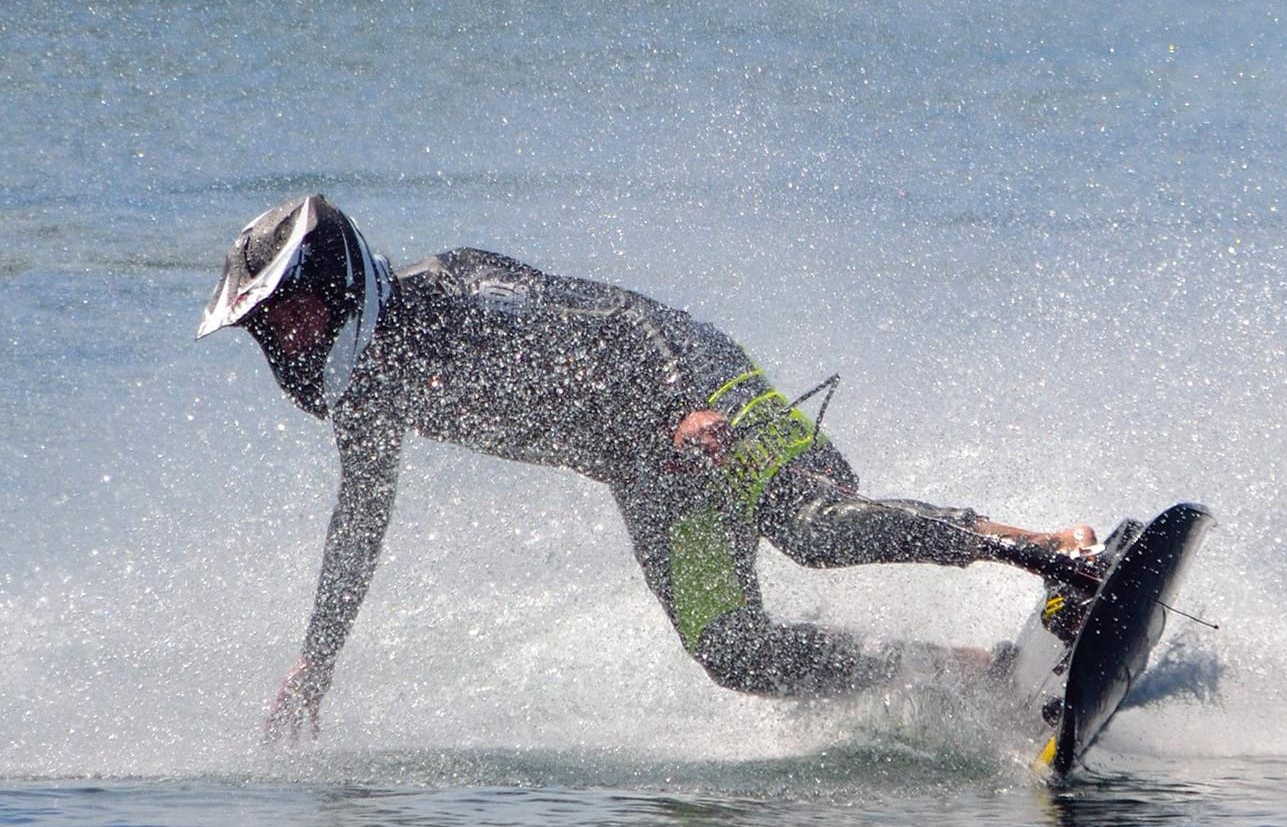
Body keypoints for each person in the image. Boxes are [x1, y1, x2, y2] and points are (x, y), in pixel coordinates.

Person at [199, 194, 1096, 739]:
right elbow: (359, 522)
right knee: (734, 652)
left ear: (331, 278)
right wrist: (317, 661)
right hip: (654, 471)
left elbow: (621, 319)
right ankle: (975, 680)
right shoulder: (373, 393)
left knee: (813, 532)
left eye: (285, 315)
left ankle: (1057, 550)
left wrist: (685, 402)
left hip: (701, 393)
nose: (282, 338)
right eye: (267, 329)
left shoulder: (455, 292)